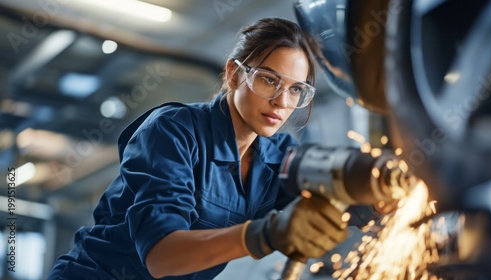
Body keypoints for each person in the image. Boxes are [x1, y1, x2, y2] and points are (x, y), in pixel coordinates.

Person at [47, 17, 349, 280]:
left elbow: (334, 185)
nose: (283, 102)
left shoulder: (278, 153)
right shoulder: (173, 130)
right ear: (234, 74)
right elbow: (161, 255)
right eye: (270, 80)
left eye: (296, 89)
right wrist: (267, 234)